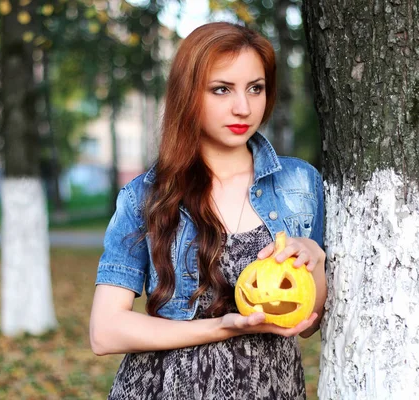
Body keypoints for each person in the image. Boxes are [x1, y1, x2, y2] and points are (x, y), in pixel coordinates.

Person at [90, 21, 327, 399]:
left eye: (256, 88)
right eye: (222, 89)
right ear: (189, 94)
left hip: (272, 389)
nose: (243, 107)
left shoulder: (299, 183)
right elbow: (105, 331)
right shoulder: (146, 196)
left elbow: (310, 322)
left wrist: (315, 260)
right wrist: (224, 327)